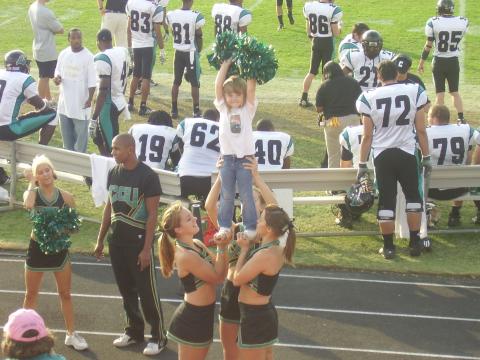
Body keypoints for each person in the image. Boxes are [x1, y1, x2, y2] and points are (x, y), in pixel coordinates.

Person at [94, 134, 167, 356]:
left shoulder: (148, 176)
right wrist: (100, 239)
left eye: (116, 149)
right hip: (116, 242)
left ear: (130, 149)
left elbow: (152, 215)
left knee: (146, 292)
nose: (113, 152)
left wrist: (146, 249)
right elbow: (109, 207)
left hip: (138, 244)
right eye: (113, 148)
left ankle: (158, 336)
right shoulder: (114, 172)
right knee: (126, 291)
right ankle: (133, 331)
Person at [205, 156, 278, 360]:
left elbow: (275, 207)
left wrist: (256, 177)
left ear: (262, 208)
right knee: (230, 350)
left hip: (254, 300)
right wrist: (221, 176)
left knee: (261, 353)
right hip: (231, 293)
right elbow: (210, 206)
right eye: (244, 200)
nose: (246, 204)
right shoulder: (232, 228)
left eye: (252, 200)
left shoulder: (265, 232)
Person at [356, 60, 430, 259]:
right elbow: (421, 130)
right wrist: (427, 156)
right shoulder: (414, 90)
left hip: (382, 154)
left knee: (386, 202)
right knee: (413, 198)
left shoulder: (368, 97)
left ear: (378, 77)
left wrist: (362, 164)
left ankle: (389, 247)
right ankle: (415, 242)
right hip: (407, 151)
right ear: (397, 74)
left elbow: (367, 136)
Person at [22, 155, 88, 351]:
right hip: (37, 250)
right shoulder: (33, 194)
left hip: (59, 250)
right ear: (36, 176)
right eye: (40, 172)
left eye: (47, 170)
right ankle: (24, 335)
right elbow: (27, 204)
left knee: (65, 293)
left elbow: (74, 224)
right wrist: (31, 183)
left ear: (53, 171)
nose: (45, 174)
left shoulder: (66, 197)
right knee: (31, 294)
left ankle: (71, 335)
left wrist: (61, 230)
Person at [158, 202, 229, 360]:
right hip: (192, 317)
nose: (195, 218)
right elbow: (218, 276)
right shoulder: (185, 255)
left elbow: (221, 270)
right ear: (178, 229)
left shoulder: (197, 244)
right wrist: (222, 247)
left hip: (204, 313)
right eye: (189, 218)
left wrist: (228, 245)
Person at [233, 205, 296, 359]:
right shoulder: (278, 249)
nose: (256, 221)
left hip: (255, 316)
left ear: (268, 228)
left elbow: (237, 279)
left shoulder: (264, 255)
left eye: (260, 219)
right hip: (263, 313)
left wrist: (244, 249)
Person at [214, 58, 258, 241]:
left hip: (245, 160)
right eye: (230, 95)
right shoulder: (223, 108)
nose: (233, 98)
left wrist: (249, 66)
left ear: (244, 96)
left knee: (247, 194)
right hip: (227, 159)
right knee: (226, 195)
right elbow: (218, 86)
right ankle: (224, 226)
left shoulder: (248, 109)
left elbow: (251, 88)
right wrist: (224, 66)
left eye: (237, 95)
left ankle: (250, 227)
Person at [0, 50, 56, 185]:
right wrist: (47, 105)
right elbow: (41, 107)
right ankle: (38, 159)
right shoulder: (24, 79)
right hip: (7, 129)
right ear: (22, 64)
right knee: (53, 114)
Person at [426, 104, 480, 226]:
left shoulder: (425, 132)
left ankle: (428, 212)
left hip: (430, 189)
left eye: (428, 117)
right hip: (459, 188)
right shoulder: (465, 129)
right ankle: (454, 215)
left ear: (434, 117)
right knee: (463, 172)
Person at [418, 0, 468, 124]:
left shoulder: (433, 22)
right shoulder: (463, 21)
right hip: (453, 61)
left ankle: (437, 120)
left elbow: (428, 45)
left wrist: (421, 62)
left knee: (440, 94)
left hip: (439, 61)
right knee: (454, 92)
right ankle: (461, 118)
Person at [54, 29, 96, 153]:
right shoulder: (63, 54)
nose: (77, 40)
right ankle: (68, 167)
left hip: (81, 105)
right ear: (69, 39)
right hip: (64, 105)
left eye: (79, 37)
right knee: (67, 144)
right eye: (73, 38)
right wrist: (57, 78)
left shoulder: (88, 57)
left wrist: (90, 98)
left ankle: (80, 169)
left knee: (80, 144)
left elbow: (92, 81)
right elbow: (57, 71)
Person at [28, 0, 64, 145]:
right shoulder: (46, 12)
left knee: (45, 76)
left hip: (38, 47)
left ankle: (47, 101)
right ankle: (41, 105)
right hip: (47, 50)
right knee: (44, 77)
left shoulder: (33, 7)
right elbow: (60, 29)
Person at [90, 29, 129, 157]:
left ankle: (112, 173)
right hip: (119, 101)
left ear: (98, 42)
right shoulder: (122, 51)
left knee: (113, 148)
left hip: (107, 105)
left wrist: (94, 117)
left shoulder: (102, 58)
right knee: (98, 138)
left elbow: (103, 90)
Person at [316, 61, 361, 168]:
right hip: (353, 119)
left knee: (333, 155)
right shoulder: (353, 82)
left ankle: (333, 184)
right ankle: (356, 180)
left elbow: (319, 109)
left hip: (334, 121)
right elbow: (360, 103)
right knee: (354, 152)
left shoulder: (324, 85)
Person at [299, 0, 343, 107]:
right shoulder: (334, 9)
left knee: (312, 72)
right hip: (327, 42)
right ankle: (323, 99)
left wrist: (312, 38)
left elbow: (308, 28)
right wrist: (340, 26)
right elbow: (336, 33)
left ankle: (303, 98)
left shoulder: (309, 6)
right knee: (326, 72)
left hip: (315, 40)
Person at [126, 0, 165, 116]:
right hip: (147, 44)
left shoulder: (131, 3)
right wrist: (162, 49)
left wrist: (129, 47)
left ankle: (130, 102)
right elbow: (157, 32)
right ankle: (143, 106)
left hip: (135, 44)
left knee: (136, 75)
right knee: (146, 77)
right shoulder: (154, 7)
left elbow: (128, 29)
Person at [167, 0, 205, 119]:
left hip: (178, 51)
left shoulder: (172, 14)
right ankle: (196, 109)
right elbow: (199, 35)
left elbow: (173, 31)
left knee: (176, 81)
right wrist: (198, 51)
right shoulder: (196, 15)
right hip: (190, 52)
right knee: (194, 82)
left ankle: (173, 109)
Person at [176, 109, 220, 202]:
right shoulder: (224, 128)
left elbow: (178, 145)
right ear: (217, 119)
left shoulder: (186, 123)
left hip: (184, 179)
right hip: (211, 181)